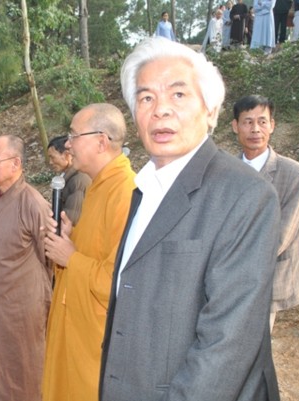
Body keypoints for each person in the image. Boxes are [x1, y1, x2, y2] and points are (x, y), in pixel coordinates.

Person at [99, 37, 281, 401]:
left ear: (211, 112)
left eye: (178, 94)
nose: (160, 110)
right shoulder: (143, 188)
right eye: (146, 98)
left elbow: (226, 345)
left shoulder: (245, 195)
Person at [41, 104, 136, 401]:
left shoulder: (125, 191)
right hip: (74, 327)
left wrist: (70, 257)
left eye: (74, 135)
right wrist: (69, 237)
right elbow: (92, 251)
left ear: (101, 141)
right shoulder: (98, 187)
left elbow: (121, 281)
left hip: (94, 342)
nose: (68, 144)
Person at [0, 135, 51, 401]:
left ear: (16, 163)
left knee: (22, 369)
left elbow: (49, 258)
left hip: (19, 309)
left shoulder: (33, 203)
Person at [232, 95, 299, 332]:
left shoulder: (293, 174)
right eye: (248, 122)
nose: (255, 129)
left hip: (266, 277)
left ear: (272, 125)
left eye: (262, 122)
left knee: (255, 342)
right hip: (226, 279)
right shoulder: (224, 171)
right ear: (235, 126)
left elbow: (283, 233)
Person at [47, 135, 91, 225]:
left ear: (67, 155)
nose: (50, 162)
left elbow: (71, 219)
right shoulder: (67, 177)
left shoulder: (79, 180)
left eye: (53, 157)